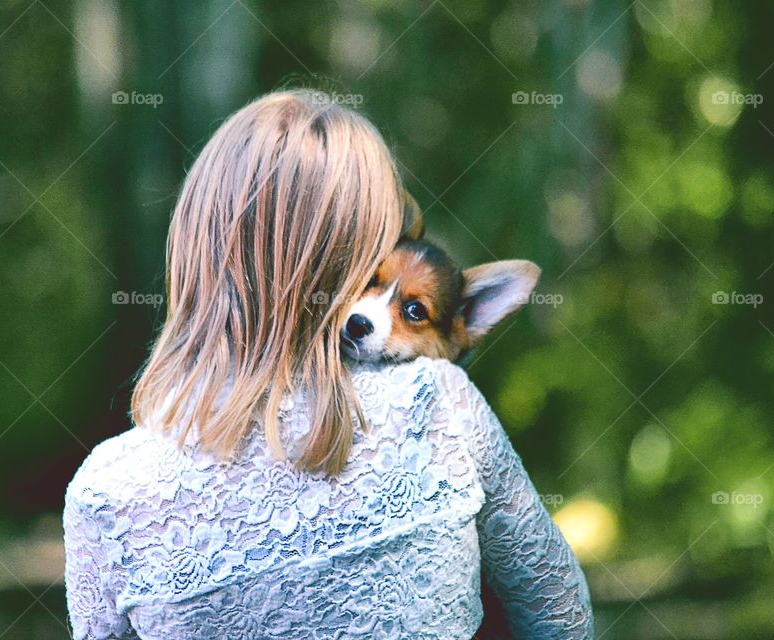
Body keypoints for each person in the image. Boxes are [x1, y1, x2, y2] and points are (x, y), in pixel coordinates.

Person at [62, 89, 594, 639]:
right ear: (353, 254)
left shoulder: (104, 492)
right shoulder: (437, 409)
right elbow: (562, 617)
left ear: (192, 246)